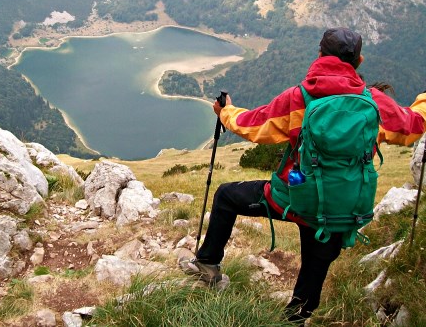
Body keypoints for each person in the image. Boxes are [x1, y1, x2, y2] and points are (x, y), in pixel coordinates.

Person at [179, 28, 426, 324]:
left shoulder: (300, 98)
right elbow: (415, 125)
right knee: (313, 271)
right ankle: (294, 319)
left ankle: (207, 265)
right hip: (341, 209)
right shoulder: (374, 103)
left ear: (319, 55)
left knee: (227, 196)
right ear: (358, 61)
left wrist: (225, 112)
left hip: (295, 198)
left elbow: (252, 125)